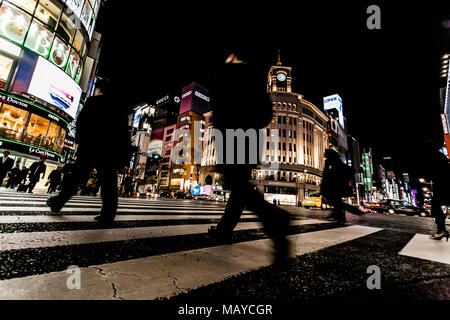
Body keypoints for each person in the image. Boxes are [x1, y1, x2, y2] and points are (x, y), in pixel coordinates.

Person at [207, 50, 291, 263]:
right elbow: (266, 111)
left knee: (237, 184)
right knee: (238, 187)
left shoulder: (227, 72)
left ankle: (274, 217)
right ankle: (224, 229)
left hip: (231, 134)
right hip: (251, 137)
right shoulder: (252, 76)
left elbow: (219, 106)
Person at [46, 78, 130, 224]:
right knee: (109, 183)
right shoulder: (120, 107)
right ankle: (108, 215)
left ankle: (58, 202)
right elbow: (123, 132)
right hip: (110, 151)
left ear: (99, 89)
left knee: (76, 177)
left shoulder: (93, 101)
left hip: (90, 147)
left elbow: (81, 123)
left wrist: (79, 141)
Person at [320, 149, 354, 224]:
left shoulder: (333, 161)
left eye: (325, 153)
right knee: (334, 200)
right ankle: (339, 214)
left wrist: (324, 184)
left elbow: (326, 173)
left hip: (335, 185)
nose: (324, 154)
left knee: (334, 200)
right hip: (335, 185)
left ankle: (342, 213)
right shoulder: (332, 161)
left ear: (329, 154)